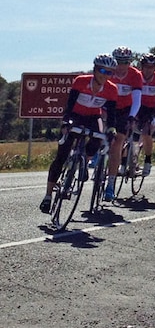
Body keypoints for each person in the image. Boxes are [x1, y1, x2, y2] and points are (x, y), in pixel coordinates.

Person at [39, 54, 119, 213]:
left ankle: (85, 161)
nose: (105, 75)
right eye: (102, 70)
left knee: (99, 137)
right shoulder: (81, 81)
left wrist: (111, 129)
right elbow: (69, 105)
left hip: (93, 117)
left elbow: (111, 115)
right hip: (75, 116)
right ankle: (48, 196)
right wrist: (66, 122)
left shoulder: (111, 89)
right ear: (95, 69)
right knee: (61, 157)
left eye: (109, 72)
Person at [104, 46, 144, 201]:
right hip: (106, 106)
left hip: (124, 110)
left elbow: (137, 100)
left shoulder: (135, 75)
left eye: (125, 62)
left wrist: (132, 117)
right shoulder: (108, 71)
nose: (121, 66)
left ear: (130, 62)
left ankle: (110, 185)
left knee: (117, 144)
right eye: (119, 62)